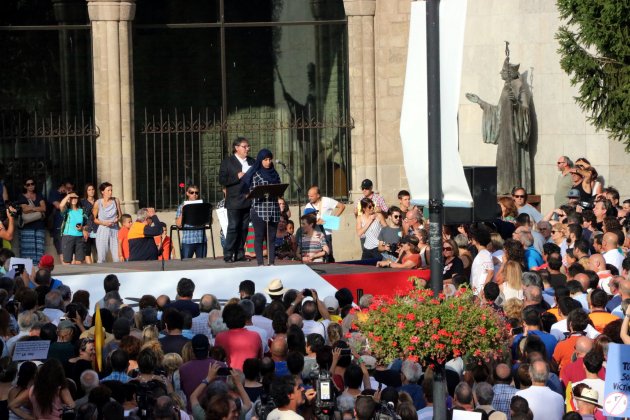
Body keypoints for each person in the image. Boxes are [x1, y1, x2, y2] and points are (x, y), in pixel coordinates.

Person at [241, 148, 282, 266]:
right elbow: (249, 190)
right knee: (259, 236)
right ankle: (260, 263)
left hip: (273, 209)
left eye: (270, 159)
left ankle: (272, 262)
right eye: (265, 159)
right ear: (260, 160)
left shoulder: (275, 174)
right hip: (259, 209)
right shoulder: (255, 173)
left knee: (272, 238)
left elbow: (279, 188)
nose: (268, 162)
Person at [219, 136, 255, 263]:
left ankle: (240, 253)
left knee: (244, 228)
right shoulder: (227, 162)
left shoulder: (251, 161)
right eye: (244, 146)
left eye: (248, 146)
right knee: (233, 227)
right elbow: (222, 180)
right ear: (236, 148)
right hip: (234, 200)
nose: (247, 149)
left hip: (248, 198)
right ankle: (228, 254)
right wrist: (237, 176)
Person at [304, 185, 345, 261]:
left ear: (318, 195)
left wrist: (332, 219)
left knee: (328, 255)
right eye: (308, 196)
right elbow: (306, 221)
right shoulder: (308, 206)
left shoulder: (326, 200)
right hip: (315, 235)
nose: (309, 198)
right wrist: (315, 222)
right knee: (316, 256)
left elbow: (342, 206)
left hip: (326, 234)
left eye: (311, 196)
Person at [16, 178, 47, 264]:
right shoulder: (21, 196)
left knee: (40, 249)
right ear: (25, 186)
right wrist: (38, 209)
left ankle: (39, 268)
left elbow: (44, 208)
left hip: (39, 226)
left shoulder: (39, 195)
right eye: (28, 184)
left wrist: (32, 208)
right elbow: (25, 210)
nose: (30, 186)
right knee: (28, 250)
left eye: (32, 184)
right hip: (27, 227)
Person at [175, 184, 207, 259]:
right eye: (192, 192)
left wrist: (206, 213)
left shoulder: (203, 206)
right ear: (187, 193)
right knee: (186, 265)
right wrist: (183, 211)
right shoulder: (182, 206)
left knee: (202, 265)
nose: (194, 194)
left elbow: (210, 222)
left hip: (201, 239)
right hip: (188, 240)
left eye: (196, 193)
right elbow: (178, 224)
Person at [93, 182, 122, 263]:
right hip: (103, 229)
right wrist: (104, 223)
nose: (110, 192)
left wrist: (117, 219)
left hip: (114, 229)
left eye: (111, 190)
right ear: (103, 192)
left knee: (117, 257)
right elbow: (94, 219)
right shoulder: (98, 203)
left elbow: (120, 215)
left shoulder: (116, 200)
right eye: (108, 190)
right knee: (102, 257)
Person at [59, 192, 88, 265]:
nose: (74, 199)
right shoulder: (67, 211)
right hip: (68, 237)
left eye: (75, 198)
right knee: (67, 261)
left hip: (79, 237)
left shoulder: (81, 211)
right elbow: (61, 205)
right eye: (72, 198)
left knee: (79, 261)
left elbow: (87, 224)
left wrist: (83, 228)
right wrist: (68, 195)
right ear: (68, 199)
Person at [80, 183, 98, 264]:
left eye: (93, 189)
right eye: (89, 190)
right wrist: (83, 228)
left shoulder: (98, 201)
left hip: (97, 228)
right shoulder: (82, 202)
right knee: (87, 250)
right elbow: (80, 216)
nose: (91, 191)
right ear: (86, 191)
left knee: (98, 250)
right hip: (87, 228)